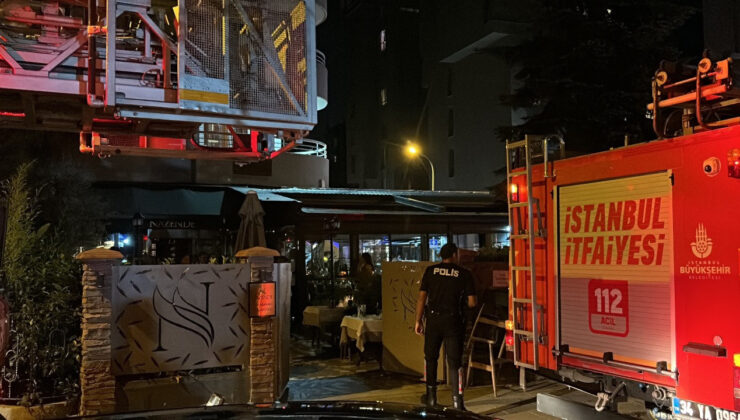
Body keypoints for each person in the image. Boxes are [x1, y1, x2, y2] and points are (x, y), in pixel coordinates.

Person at [414, 243, 476, 410]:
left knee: (431, 358)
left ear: (441, 255)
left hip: (433, 320)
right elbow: (472, 302)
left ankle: (431, 398)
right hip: (453, 322)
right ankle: (458, 401)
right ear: (455, 255)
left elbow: (422, 299)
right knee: (455, 362)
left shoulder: (430, 271)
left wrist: (418, 321)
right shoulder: (464, 274)